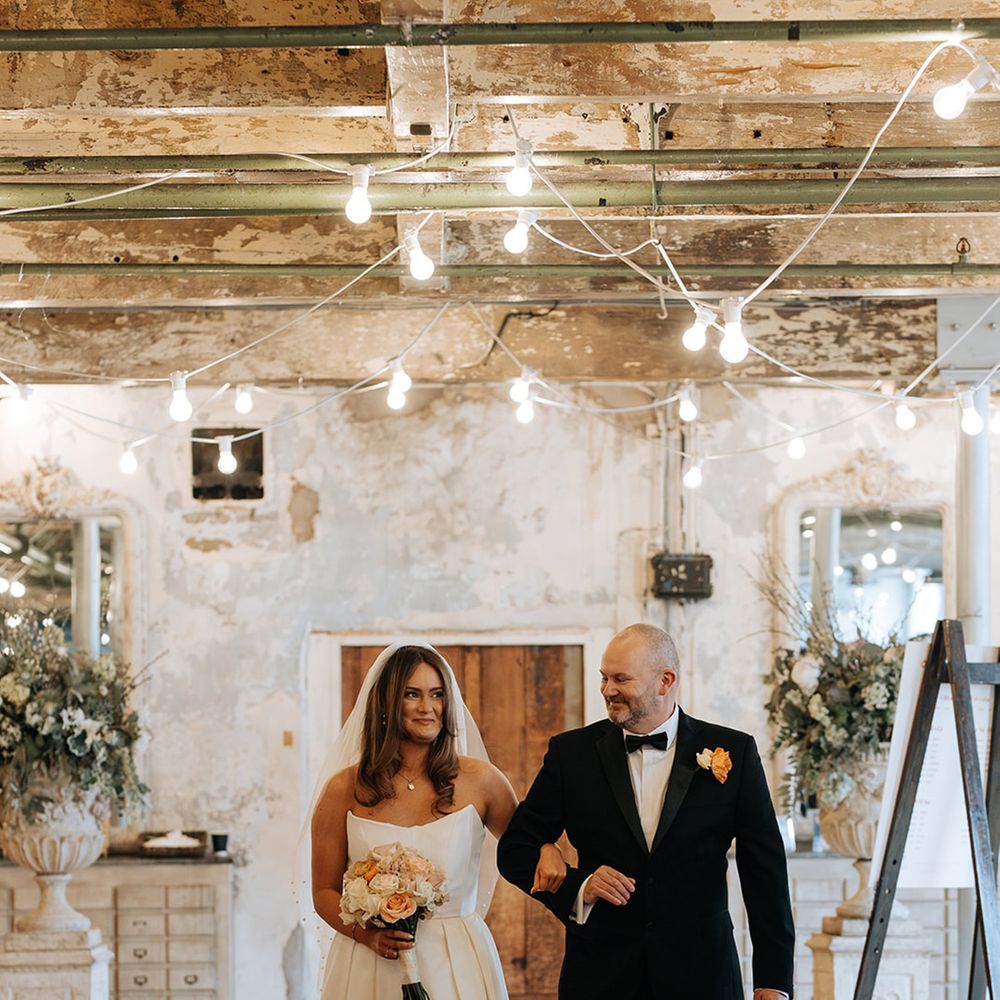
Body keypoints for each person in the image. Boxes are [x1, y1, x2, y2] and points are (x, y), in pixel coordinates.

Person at [497, 623, 796, 1000]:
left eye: (621, 679)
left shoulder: (734, 751)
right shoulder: (571, 755)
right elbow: (514, 849)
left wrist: (773, 980)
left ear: (665, 681)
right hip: (600, 978)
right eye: (604, 677)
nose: (607, 690)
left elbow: (765, 872)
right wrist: (581, 886)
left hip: (702, 976)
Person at [310, 643, 567, 1000]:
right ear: (385, 703)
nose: (427, 707)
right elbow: (324, 891)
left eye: (437, 694)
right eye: (411, 694)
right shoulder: (343, 789)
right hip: (370, 962)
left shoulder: (483, 781)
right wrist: (365, 936)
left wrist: (548, 847)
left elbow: (525, 844)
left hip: (457, 959)